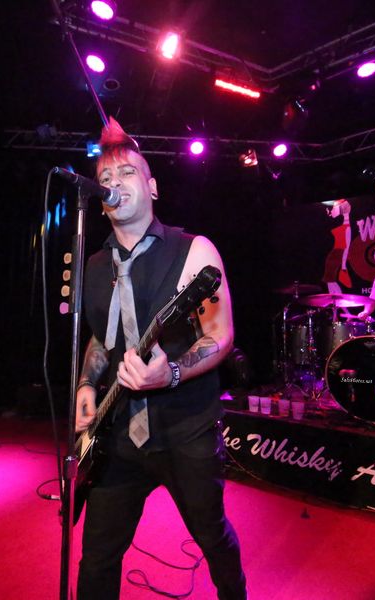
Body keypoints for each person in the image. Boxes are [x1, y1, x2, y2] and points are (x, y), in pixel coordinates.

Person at [74, 118, 247, 600]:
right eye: (105, 178)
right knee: (97, 557)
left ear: (152, 187)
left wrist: (169, 372)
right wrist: (86, 385)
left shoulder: (194, 250)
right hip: (116, 434)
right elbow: (100, 337)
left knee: (212, 536)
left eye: (127, 173)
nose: (114, 183)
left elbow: (219, 334)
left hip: (185, 430)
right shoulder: (94, 264)